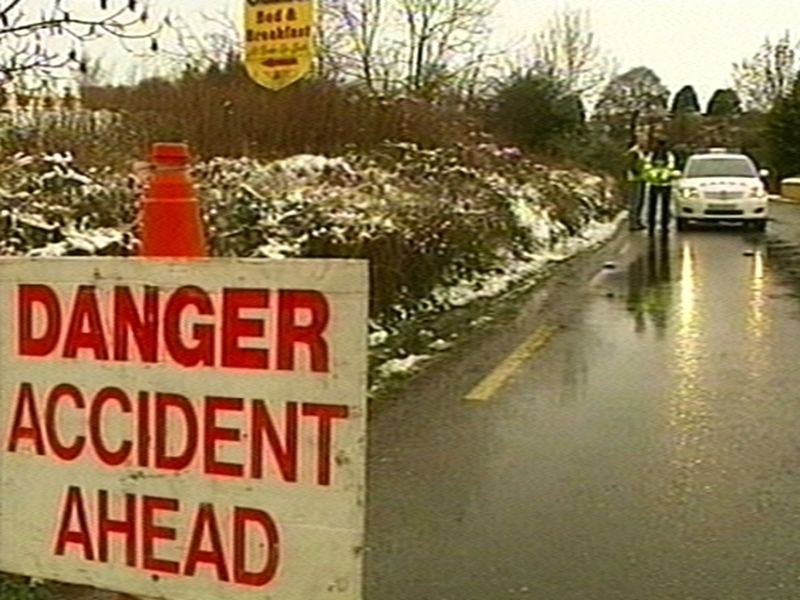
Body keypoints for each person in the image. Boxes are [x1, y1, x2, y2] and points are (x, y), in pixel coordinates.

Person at [643, 138, 678, 235]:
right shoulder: (668, 154)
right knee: (663, 206)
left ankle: (653, 226)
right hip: (664, 183)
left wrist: (653, 175)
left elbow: (647, 165)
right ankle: (662, 226)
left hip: (656, 183)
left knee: (653, 206)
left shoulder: (652, 154)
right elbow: (671, 166)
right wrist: (664, 175)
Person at [624, 136, 647, 230]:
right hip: (634, 180)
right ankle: (633, 223)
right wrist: (638, 173)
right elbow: (631, 166)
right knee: (635, 201)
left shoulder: (639, 152)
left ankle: (637, 220)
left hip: (640, 179)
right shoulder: (633, 152)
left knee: (640, 201)